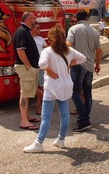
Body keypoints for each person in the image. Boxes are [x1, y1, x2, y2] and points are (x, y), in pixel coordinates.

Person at [24, 25, 86, 153]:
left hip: (52, 86)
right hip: (65, 86)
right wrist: (70, 63)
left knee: (46, 116)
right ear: (63, 38)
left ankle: (39, 143)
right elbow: (83, 58)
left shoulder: (48, 51)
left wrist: (49, 71)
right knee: (65, 114)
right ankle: (61, 140)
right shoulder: (69, 51)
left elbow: (41, 64)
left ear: (51, 38)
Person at [66, 10, 102, 132]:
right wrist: (97, 64)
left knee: (74, 92)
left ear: (77, 18)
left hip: (78, 65)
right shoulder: (94, 31)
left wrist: (69, 61)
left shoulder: (74, 29)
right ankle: (85, 118)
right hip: (90, 65)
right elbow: (99, 50)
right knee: (88, 93)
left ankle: (84, 120)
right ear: (87, 18)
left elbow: (68, 44)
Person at [13, 12, 40, 130]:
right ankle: (24, 121)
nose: (35, 21)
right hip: (26, 68)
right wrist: (28, 65)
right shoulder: (22, 32)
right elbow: (20, 50)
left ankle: (27, 116)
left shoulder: (25, 31)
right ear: (29, 19)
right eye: (34, 19)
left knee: (28, 93)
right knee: (25, 93)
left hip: (28, 68)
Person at [32, 22, 47, 115]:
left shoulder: (41, 39)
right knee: (32, 87)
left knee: (41, 87)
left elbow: (46, 49)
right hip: (31, 67)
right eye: (37, 28)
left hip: (40, 67)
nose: (39, 30)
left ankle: (39, 108)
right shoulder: (28, 39)